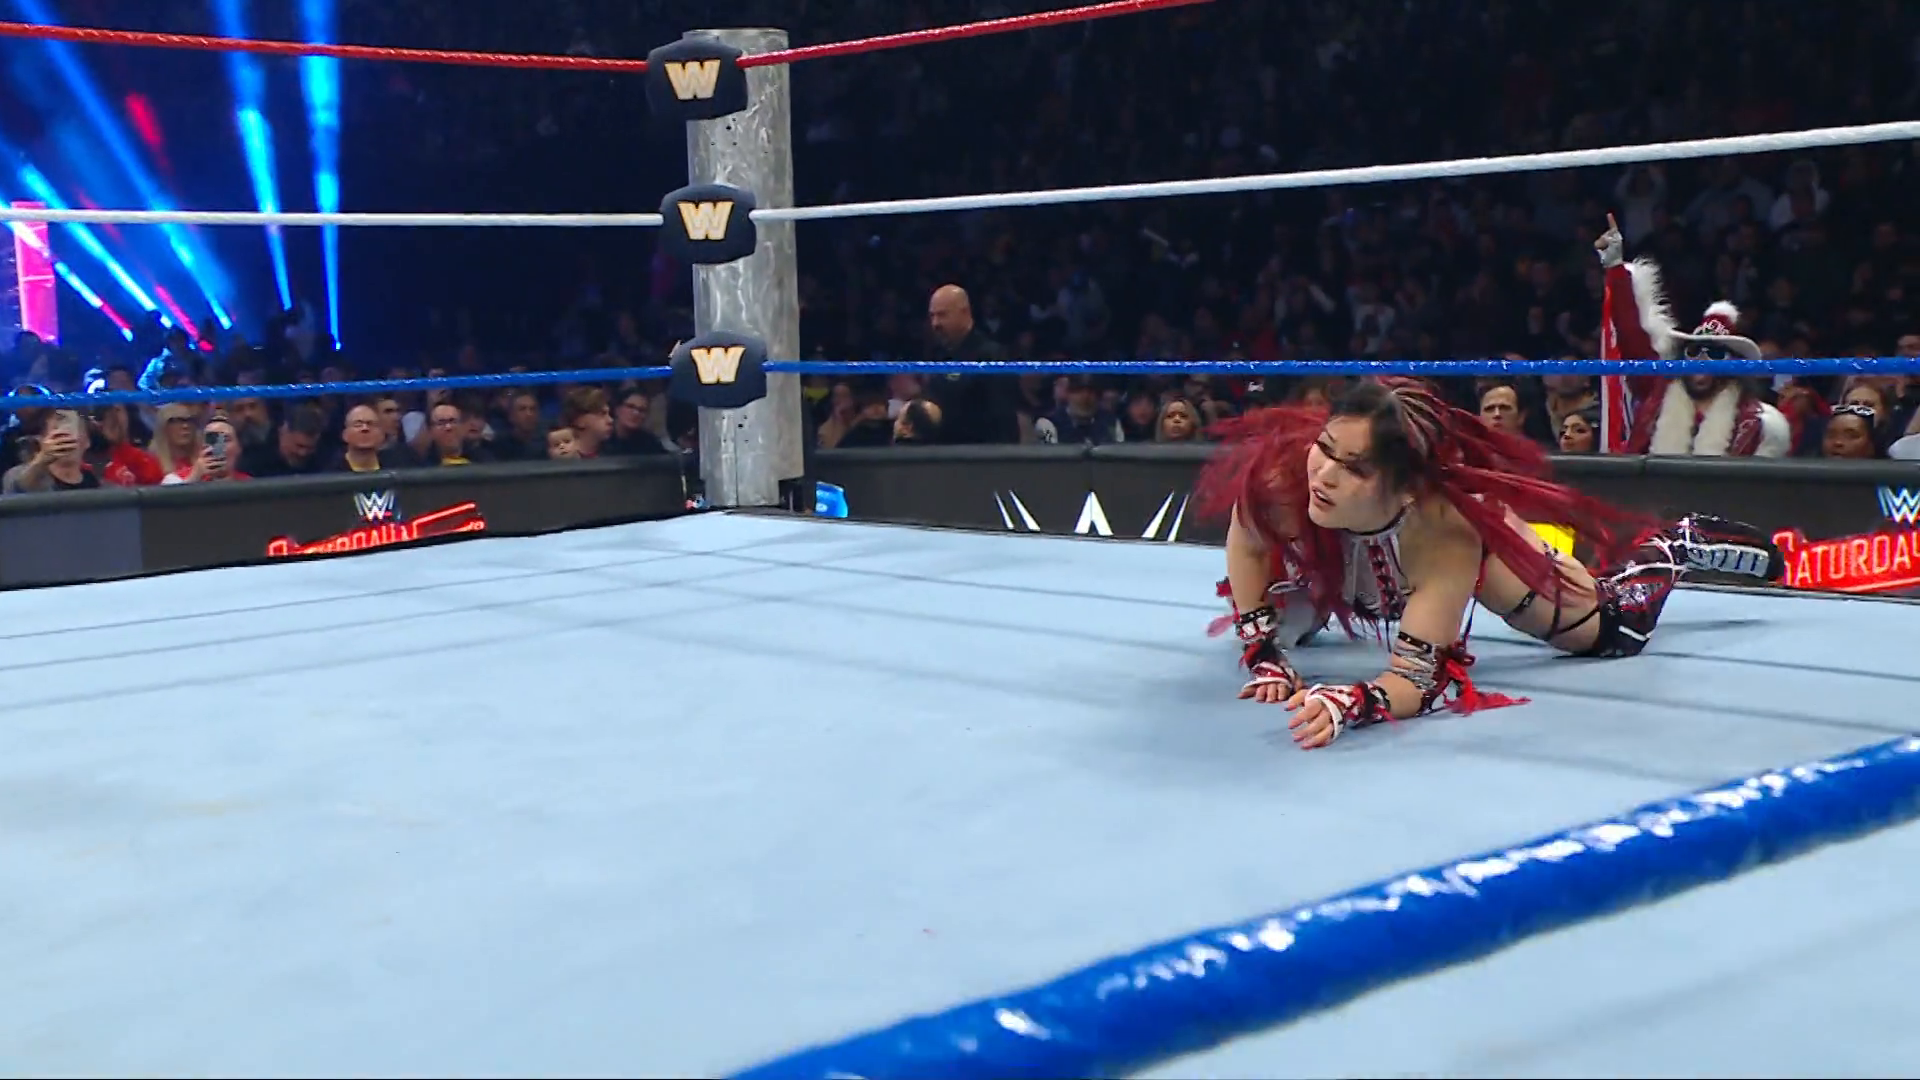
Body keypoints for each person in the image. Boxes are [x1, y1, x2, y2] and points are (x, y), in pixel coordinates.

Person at [1200, 376, 1785, 750]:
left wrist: (1355, 701)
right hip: (1338, 557)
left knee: (1610, 631)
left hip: (1444, 556)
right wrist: (1263, 655)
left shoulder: (1443, 530)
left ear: (1405, 486)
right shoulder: (1287, 478)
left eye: (1354, 467)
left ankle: (1673, 545)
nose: (1324, 474)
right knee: (1286, 621)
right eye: (1325, 449)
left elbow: (1415, 679)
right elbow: (1247, 541)